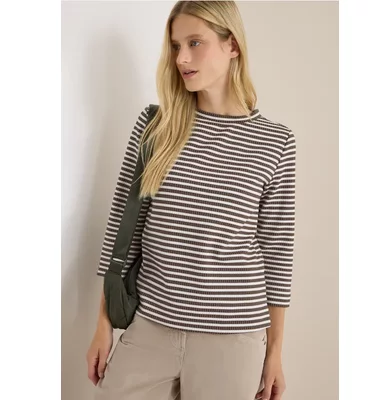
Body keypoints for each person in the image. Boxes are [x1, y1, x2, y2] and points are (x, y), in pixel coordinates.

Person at [86, 1, 296, 399]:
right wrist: (103, 325)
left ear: (232, 45)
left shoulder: (276, 142)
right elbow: (122, 232)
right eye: (176, 45)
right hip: (151, 325)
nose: (181, 58)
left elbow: (277, 252)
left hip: (233, 339)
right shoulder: (155, 127)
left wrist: (275, 353)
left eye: (195, 43)